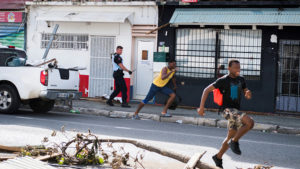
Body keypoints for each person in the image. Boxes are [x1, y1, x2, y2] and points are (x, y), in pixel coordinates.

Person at [197, 59, 254, 168]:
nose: (238, 70)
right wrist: (201, 107)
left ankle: (218, 157)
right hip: (227, 110)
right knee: (249, 122)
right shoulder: (223, 80)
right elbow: (206, 90)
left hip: (236, 111)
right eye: (236, 68)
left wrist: (248, 94)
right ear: (229, 68)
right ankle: (235, 142)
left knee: (230, 137)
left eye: (239, 67)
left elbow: (247, 95)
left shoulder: (241, 79)